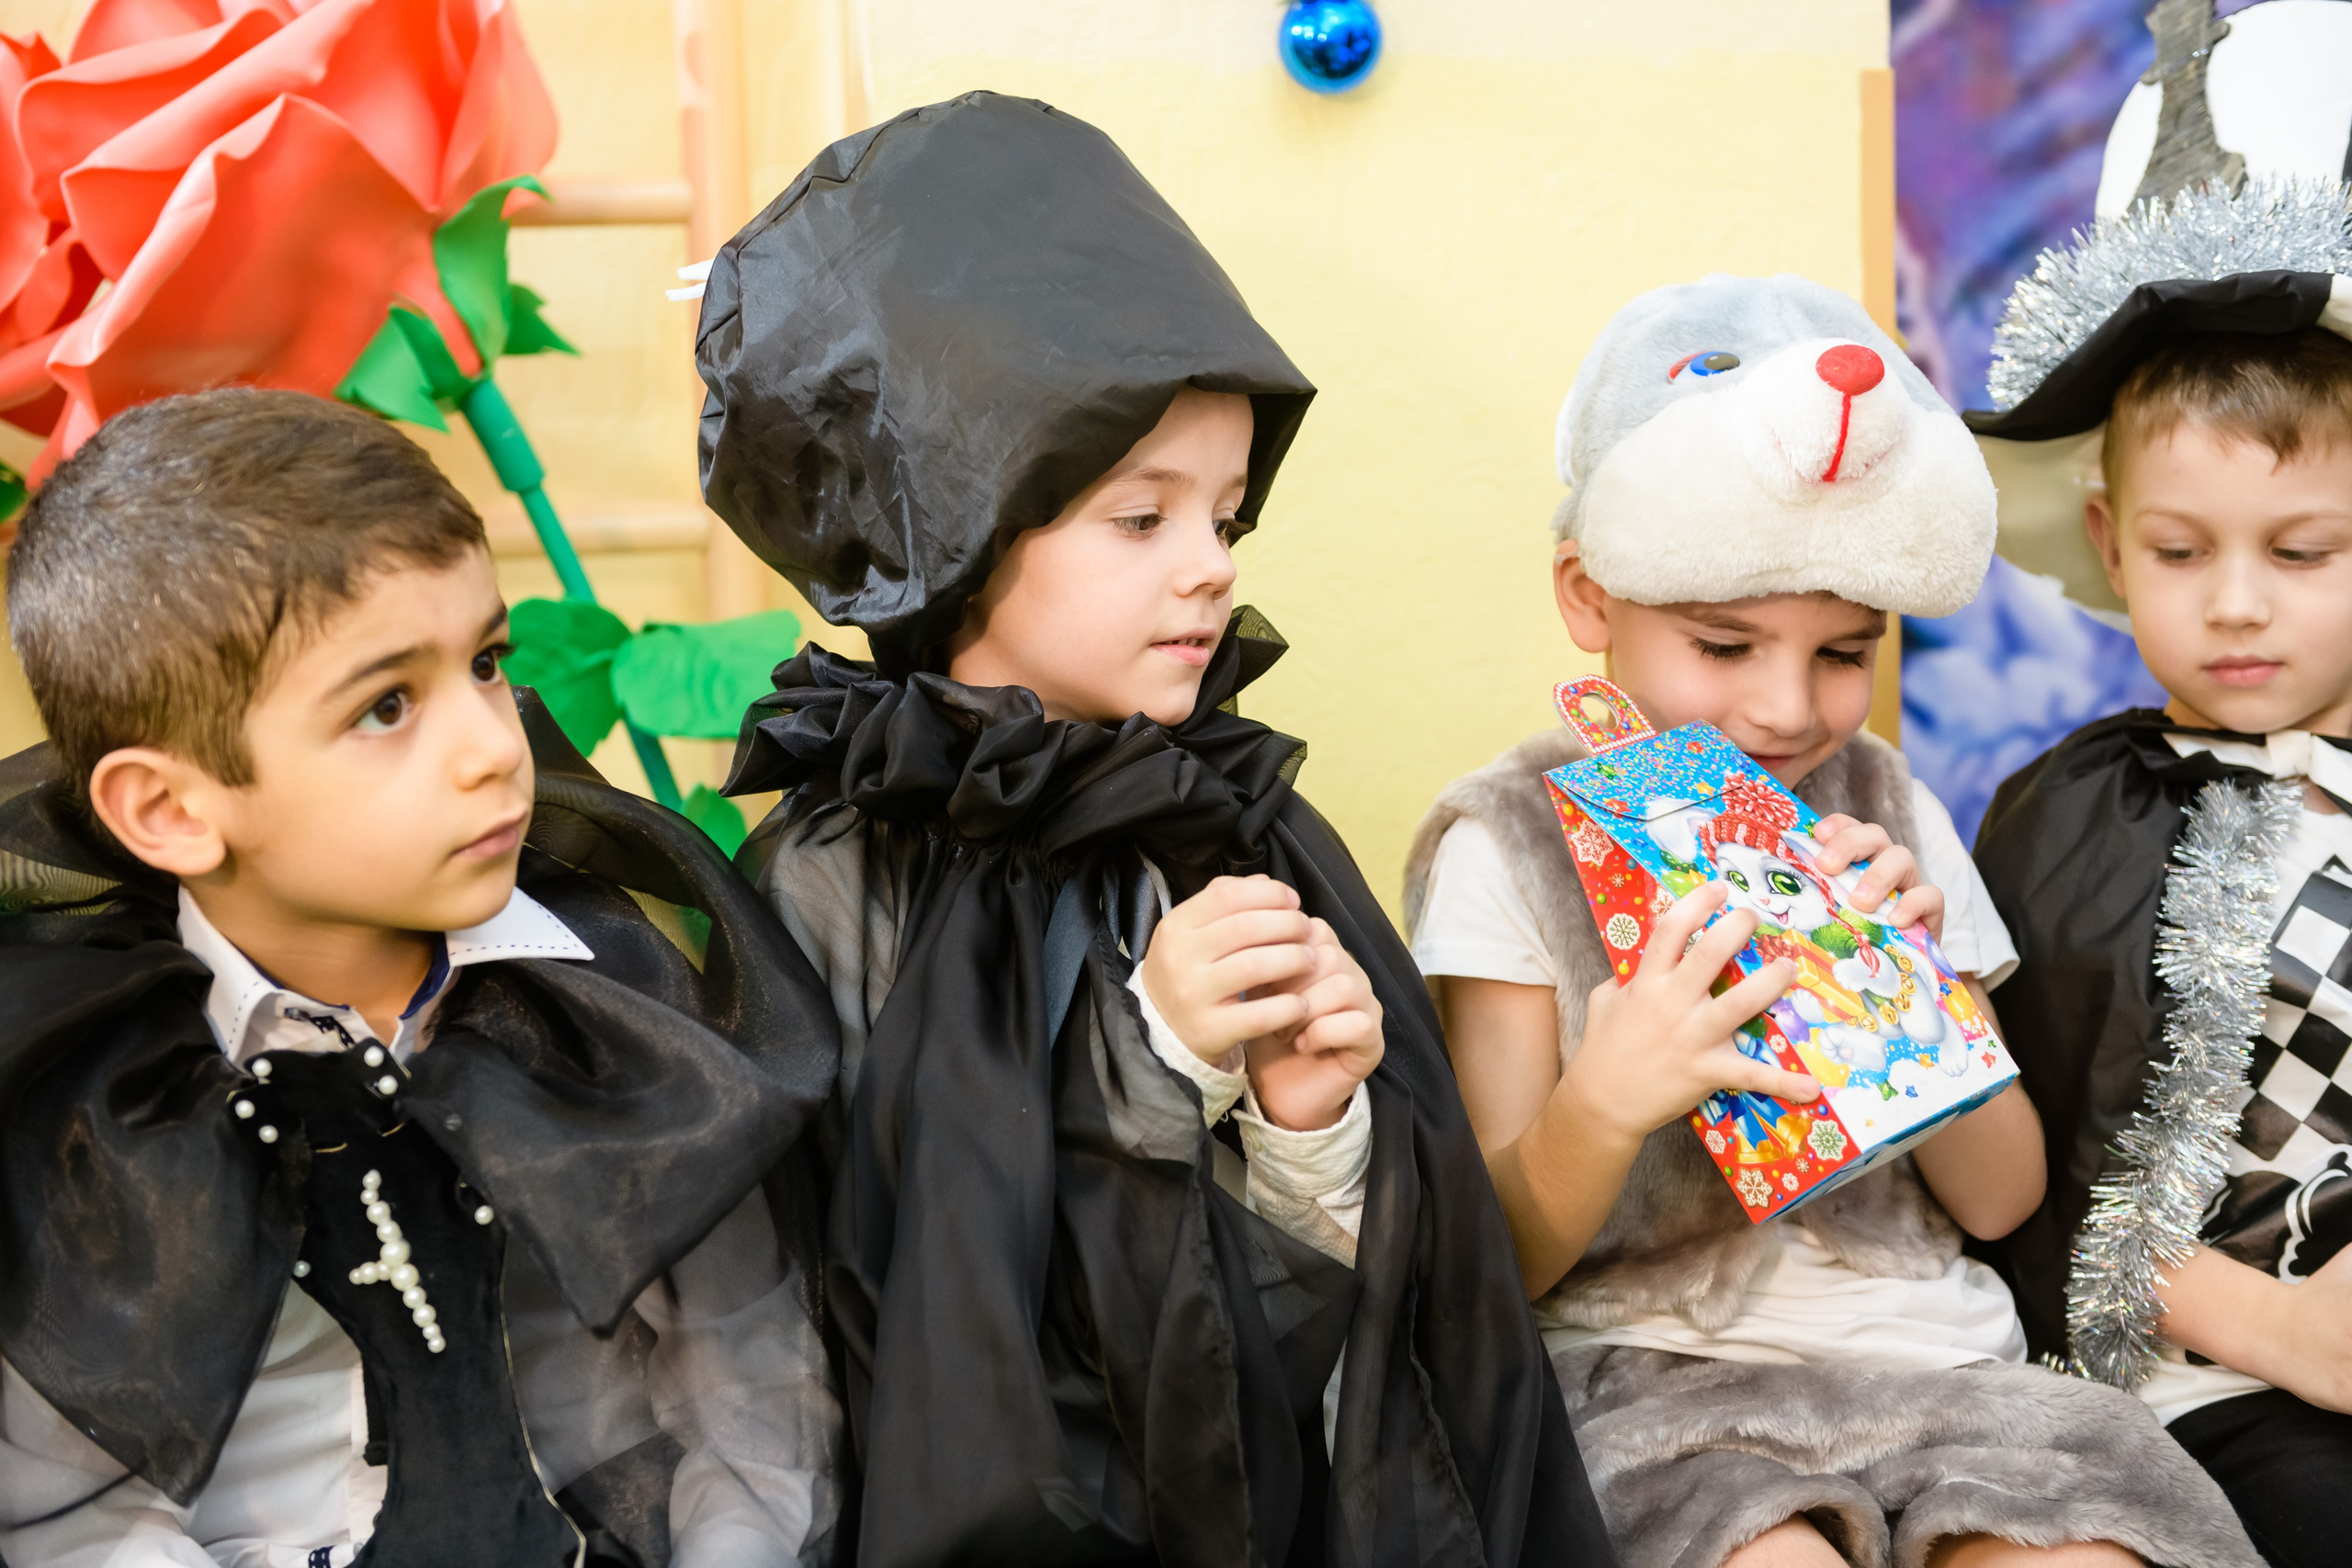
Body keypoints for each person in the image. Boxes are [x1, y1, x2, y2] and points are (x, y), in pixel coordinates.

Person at [693, 91, 1612, 1567]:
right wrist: (1151, 1059)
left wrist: (1314, 1126)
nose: (1208, 572)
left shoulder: (1238, 819)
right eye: (1141, 519)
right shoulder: (835, 873)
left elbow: (1369, 1328)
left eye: (1228, 517)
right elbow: (897, 1301)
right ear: (962, 524)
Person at [1405, 274, 2256, 1568]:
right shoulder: (1505, 841)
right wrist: (1605, 1099)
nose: (1787, 708)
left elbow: (1999, 1198)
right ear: (1592, 598)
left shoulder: (1887, 807)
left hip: (1947, 1369)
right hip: (1657, 1383)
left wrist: (1928, 1003)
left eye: (1844, 651)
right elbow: (1491, 1260)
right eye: (1724, 644)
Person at [0, 389, 843, 1567]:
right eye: (386, 705)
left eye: (487, 663)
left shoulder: (617, 1007)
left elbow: (750, 1402)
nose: (496, 747)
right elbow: (71, 1514)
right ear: (172, 809)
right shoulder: (84, 1096)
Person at [1971, 178, 2352, 1568]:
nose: (2235, 600)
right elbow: (2030, 1193)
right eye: (2183, 551)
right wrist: (2287, 1331)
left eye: (2302, 550)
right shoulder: (2070, 817)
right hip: (2205, 1388)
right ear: (2113, 541)